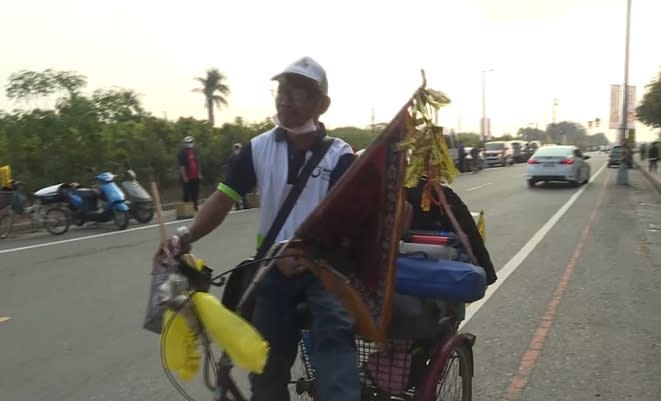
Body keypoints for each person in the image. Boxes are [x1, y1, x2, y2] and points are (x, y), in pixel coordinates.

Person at [167, 57, 359, 401]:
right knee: (264, 361)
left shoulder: (339, 156)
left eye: (298, 92)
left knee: (333, 338)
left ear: (321, 104)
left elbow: (346, 221)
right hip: (271, 267)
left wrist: (311, 255)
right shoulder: (258, 148)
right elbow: (222, 199)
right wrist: (185, 236)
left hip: (324, 269)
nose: (285, 99)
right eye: (282, 90)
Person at [177, 136, 202, 211]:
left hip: (195, 176)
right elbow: (181, 166)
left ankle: (195, 206)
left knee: (195, 192)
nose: (190, 144)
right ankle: (186, 209)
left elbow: (197, 163)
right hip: (187, 177)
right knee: (187, 193)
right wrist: (184, 176)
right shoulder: (182, 153)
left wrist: (199, 173)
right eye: (188, 142)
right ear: (184, 143)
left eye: (191, 142)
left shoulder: (194, 151)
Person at [224, 143, 247, 210]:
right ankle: (237, 206)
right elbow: (229, 168)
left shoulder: (244, 157)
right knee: (235, 192)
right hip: (235, 177)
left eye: (238, 148)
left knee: (243, 191)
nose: (237, 150)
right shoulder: (230, 159)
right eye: (236, 149)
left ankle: (245, 204)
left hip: (242, 176)